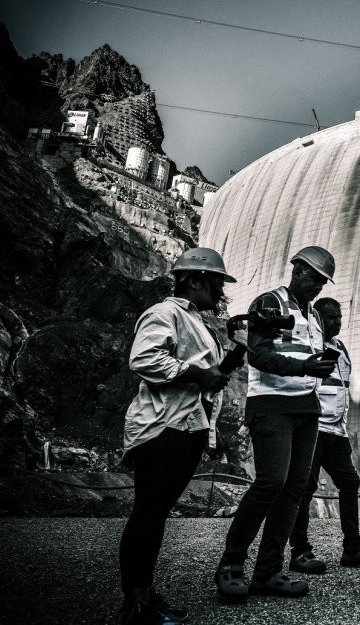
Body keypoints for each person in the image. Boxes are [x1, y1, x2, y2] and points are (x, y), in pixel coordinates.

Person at [214, 246, 339, 603]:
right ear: (296, 270)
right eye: (313, 277)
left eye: (322, 281)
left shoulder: (313, 316)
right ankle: (231, 563)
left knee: (295, 488)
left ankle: (268, 570)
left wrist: (317, 366)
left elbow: (301, 355)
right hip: (271, 406)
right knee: (271, 481)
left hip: (306, 407)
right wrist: (304, 367)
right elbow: (259, 354)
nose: (317, 286)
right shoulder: (269, 303)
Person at [118, 247, 235, 624]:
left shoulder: (194, 320)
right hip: (161, 428)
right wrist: (199, 375)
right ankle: (136, 605)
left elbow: (204, 375)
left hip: (185, 427)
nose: (221, 292)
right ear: (195, 281)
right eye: (217, 283)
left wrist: (222, 366)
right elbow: (144, 359)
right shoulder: (164, 313)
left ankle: (145, 595)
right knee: (148, 514)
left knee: (156, 514)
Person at [287, 297, 360, 573]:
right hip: (313, 428)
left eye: (339, 316)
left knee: (350, 482)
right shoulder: (307, 346)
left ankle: (352, 548)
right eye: (332, 317)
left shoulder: (340, 348)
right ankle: (300, 551)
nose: (338, 321)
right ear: (317, 318)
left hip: (337, 431)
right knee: (304, 488)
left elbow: (342, 391)